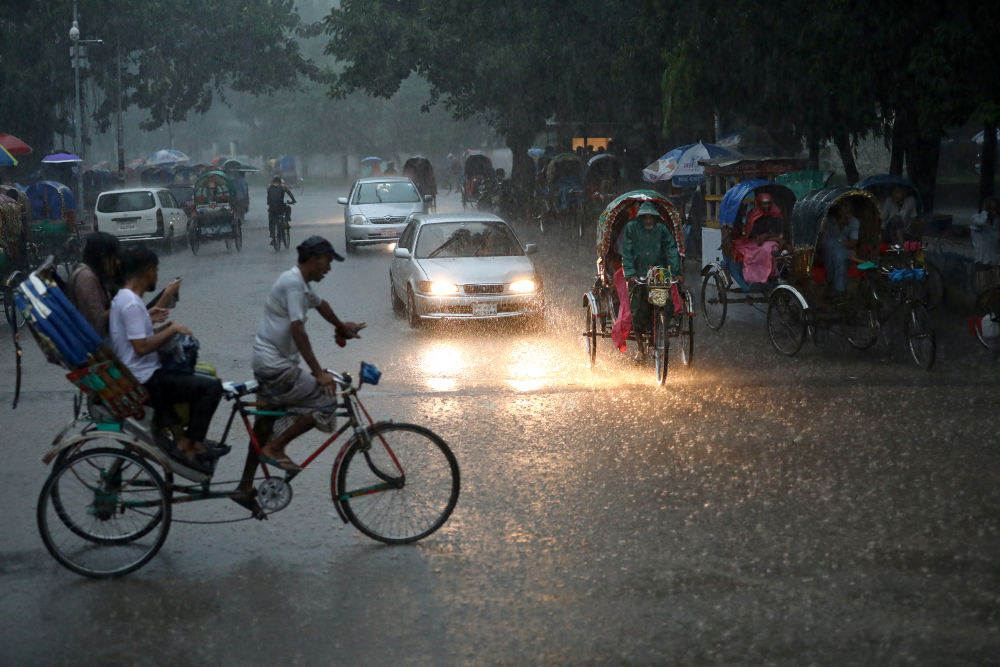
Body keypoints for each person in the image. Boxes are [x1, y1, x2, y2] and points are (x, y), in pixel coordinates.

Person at [247, 236, 364, 474]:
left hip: (268, 363)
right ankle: (277, 447)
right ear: (314, 260)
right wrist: (319, 373)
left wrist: (341, 327)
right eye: (327, 262)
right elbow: (297, 329)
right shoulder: (294, 285)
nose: (329, 268)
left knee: (263, 425)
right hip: (276, 367)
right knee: (326, 400)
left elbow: (321, 304)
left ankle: (246, 487)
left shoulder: (299, 283)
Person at [109, 247, 223, 475]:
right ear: (149, 272)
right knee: (212, 388)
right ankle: (189, 444)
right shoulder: (131, 303)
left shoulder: (127, 298)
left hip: (144, 373)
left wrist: (163, 328)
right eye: (156, 271)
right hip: (146, 379)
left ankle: (191, 441)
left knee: (203, 377)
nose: (157, 277)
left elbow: (141, 338)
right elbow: (140, 347)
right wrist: (172, 331)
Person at [67, 232, 179, 339]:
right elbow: (97, 322)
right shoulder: (86, 277)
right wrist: (127, 308)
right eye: (114, 258)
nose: (117, 263)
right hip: (97, 344)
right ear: (103, 257)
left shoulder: (93, 276)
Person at [622, 201, 681, 340]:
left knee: (665, 302)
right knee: (637, 308)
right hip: (638, 273)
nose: (648, 220)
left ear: (655, 217)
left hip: (658, 273)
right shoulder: (632, 228)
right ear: (640, 217)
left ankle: (662, 324)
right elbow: (627, 252)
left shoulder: (661, 230)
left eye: (651, 217)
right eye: (645, 217)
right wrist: (630, 274)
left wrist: (677, 272)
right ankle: (641, 349)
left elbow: (671, 250)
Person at [729, 192, 784, 289]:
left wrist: (769, 237)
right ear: (758, 204)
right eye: (764, 203)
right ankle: (759, 278)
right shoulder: (752, 215)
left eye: (769, 203)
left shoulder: (776, 214)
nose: (767, 206)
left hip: (774, 240)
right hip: (753, 242)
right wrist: (768, 237)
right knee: (767, 249)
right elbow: (754, 237)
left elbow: (778, 232)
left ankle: (776, 275)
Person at [820, 203, 860, 294]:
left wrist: (837, 246)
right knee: (831, 245)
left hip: (845, 257)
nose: (847, 216)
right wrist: (838, 247)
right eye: (844, 212)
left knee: (840, 260)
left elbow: (853, 242)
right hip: (828, 256)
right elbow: (823, 244)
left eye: (848, 212)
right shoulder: (828, 223)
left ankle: (838, 294)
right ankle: (841, 293)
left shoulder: (854, 222)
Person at [970, 196, 1000, 294]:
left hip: (995, 264)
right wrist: (985, 211)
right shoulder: (976, 219)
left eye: (995, 210)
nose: (994, 213)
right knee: (983, 295)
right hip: (983, 263)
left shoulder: (997, 221)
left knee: (994, 294)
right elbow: (981, 222)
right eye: (992, 210)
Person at [266, 176, 296, 245]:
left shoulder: (269, 186)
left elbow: (268, 197)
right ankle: (285, 221)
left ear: (273, 181)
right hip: (280, 207)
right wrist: (293, 200)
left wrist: (268, 202)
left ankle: (272, 235)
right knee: (288, 208)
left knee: (271, 221)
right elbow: (290, 194)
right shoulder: (283, 186)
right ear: (280, 181)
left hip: (272, 208)